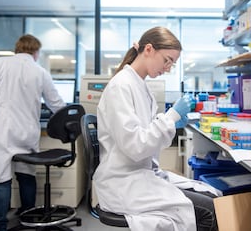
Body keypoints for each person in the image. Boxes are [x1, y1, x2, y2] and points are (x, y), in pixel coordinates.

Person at [94, 26, 219, 231]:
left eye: (173, 63)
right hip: (123, 183)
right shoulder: (121, 86)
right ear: (149, 49)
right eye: (167, 60)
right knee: (210, 210)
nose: (168, 68)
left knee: (210, 194)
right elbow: (135, 146)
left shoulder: (141, 86)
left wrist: (170, 123)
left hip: (140, 175)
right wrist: (170, 118)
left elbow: (144, 133)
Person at [0, 34, 66, 231]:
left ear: (17, 48)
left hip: (0, 131)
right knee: (26, 174)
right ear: (36, 52)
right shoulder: (40, 71)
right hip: (26, 132)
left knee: (0, 179)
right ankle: (29, 217)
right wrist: (73, 120)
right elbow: (56, 104)